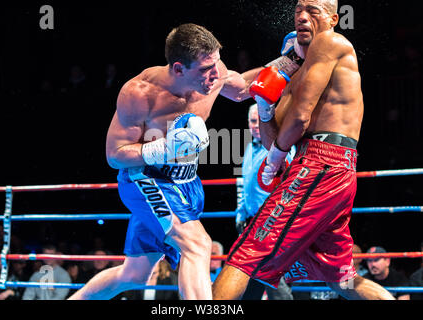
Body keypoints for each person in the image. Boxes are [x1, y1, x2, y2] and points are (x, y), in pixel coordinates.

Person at [69, 23, 303, 300]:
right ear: (179, 68)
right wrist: (165, 148)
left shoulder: (214, 73)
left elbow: (243, 89)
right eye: (205, 69)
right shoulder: (140, 93)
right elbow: (115, 154)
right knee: (198, 245)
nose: (216, 74)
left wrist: (293, 59)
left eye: (216, 63)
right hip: (147, 180)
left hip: (187, 182)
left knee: (133, 275)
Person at [212, 0, 395, 300]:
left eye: (312, 9)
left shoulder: (332, 41)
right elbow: (254, 109)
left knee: (244, 254)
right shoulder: (291, 77)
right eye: (298, 10)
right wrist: (263, 106)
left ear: (334, 18)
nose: (302, 16)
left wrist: (273, 161)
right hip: (329, 169)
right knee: (342, 279)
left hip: (321, 163)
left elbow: (299, 119)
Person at [236, 104, 294, 300]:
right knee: (253, 274)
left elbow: (291, 185)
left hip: (274, 221)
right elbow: (246, 186)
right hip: (252, 222)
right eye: (252, 121)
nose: (255, 125)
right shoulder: (249, 148)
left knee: (270, 273)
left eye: (260, 120)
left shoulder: (281, 148)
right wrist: (241, 213)